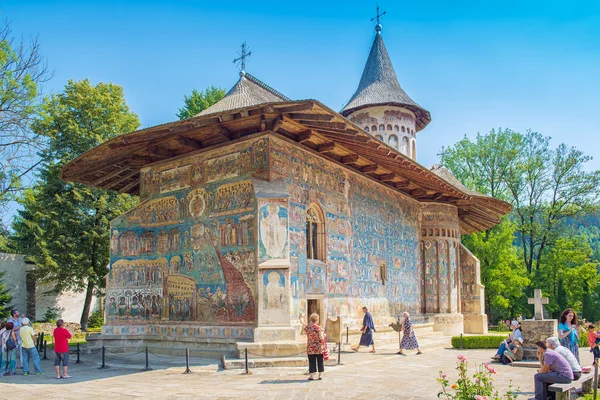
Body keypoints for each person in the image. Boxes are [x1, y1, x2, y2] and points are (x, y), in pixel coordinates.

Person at [303, 313, 325, 381]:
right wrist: (324, 335)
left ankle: (311, 375)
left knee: (311, 361)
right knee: (320, 360)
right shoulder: (318, 328)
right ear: (317, 320)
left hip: (310, 346)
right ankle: (320, 375)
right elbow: (321, 337)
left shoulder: (307, 327)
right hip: (318, 347)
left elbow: (304, 333)